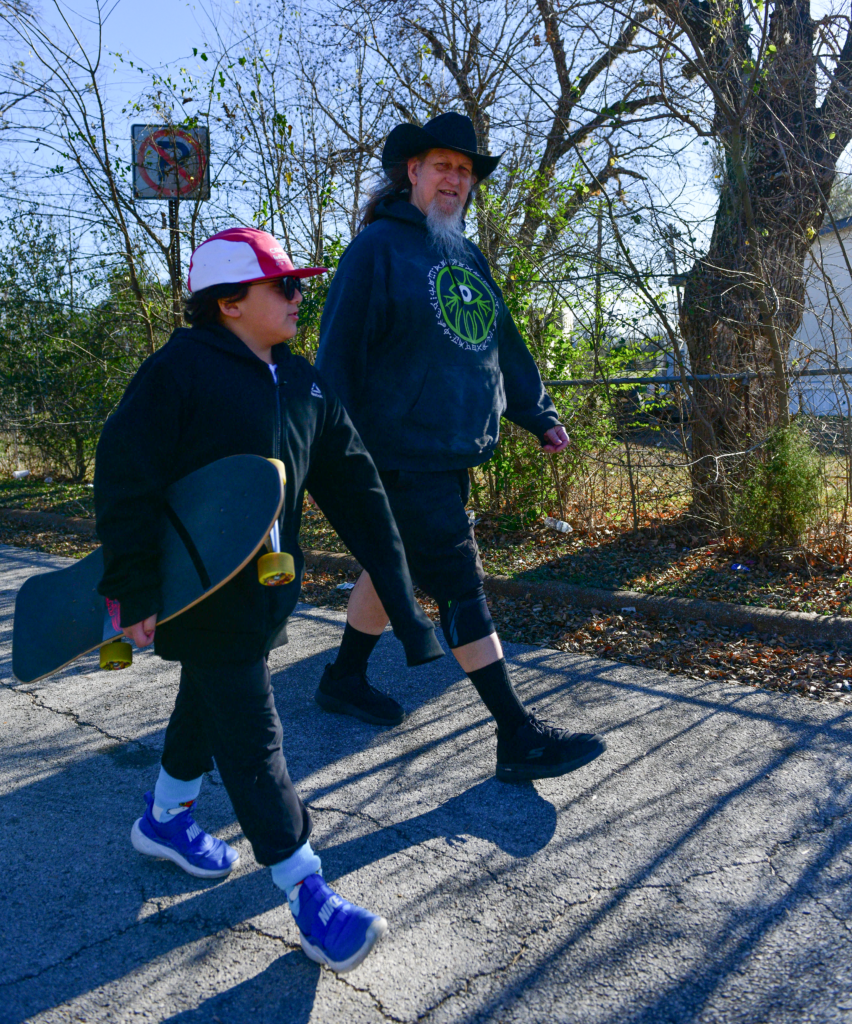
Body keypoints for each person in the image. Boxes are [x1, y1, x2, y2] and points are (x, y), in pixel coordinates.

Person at [94, 226, 443, 973]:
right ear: (228, 302)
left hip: (264, 598)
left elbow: (360, 492)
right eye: (282, 286)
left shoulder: (304, 383)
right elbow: (124, 474)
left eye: (297, 284)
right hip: (197, 596)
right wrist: (131, 585)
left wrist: (407, 609)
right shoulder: (179, 370)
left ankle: (164, 819)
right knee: (254, 738)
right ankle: (308, 895)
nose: (296, 296)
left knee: (208, 701)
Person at [314, 112, 606, 782]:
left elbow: (501, 340)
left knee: (393, 566)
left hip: (451, 447)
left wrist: (537, 412)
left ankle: (343, 679)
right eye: (443, 166)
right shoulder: (376, 250)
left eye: (465, 171)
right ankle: (517, 734)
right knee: (459, 583)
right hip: (398, 451)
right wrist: (328, 448)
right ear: (412, 172)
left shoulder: (465, 256)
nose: (455, 179)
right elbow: (338, 355)